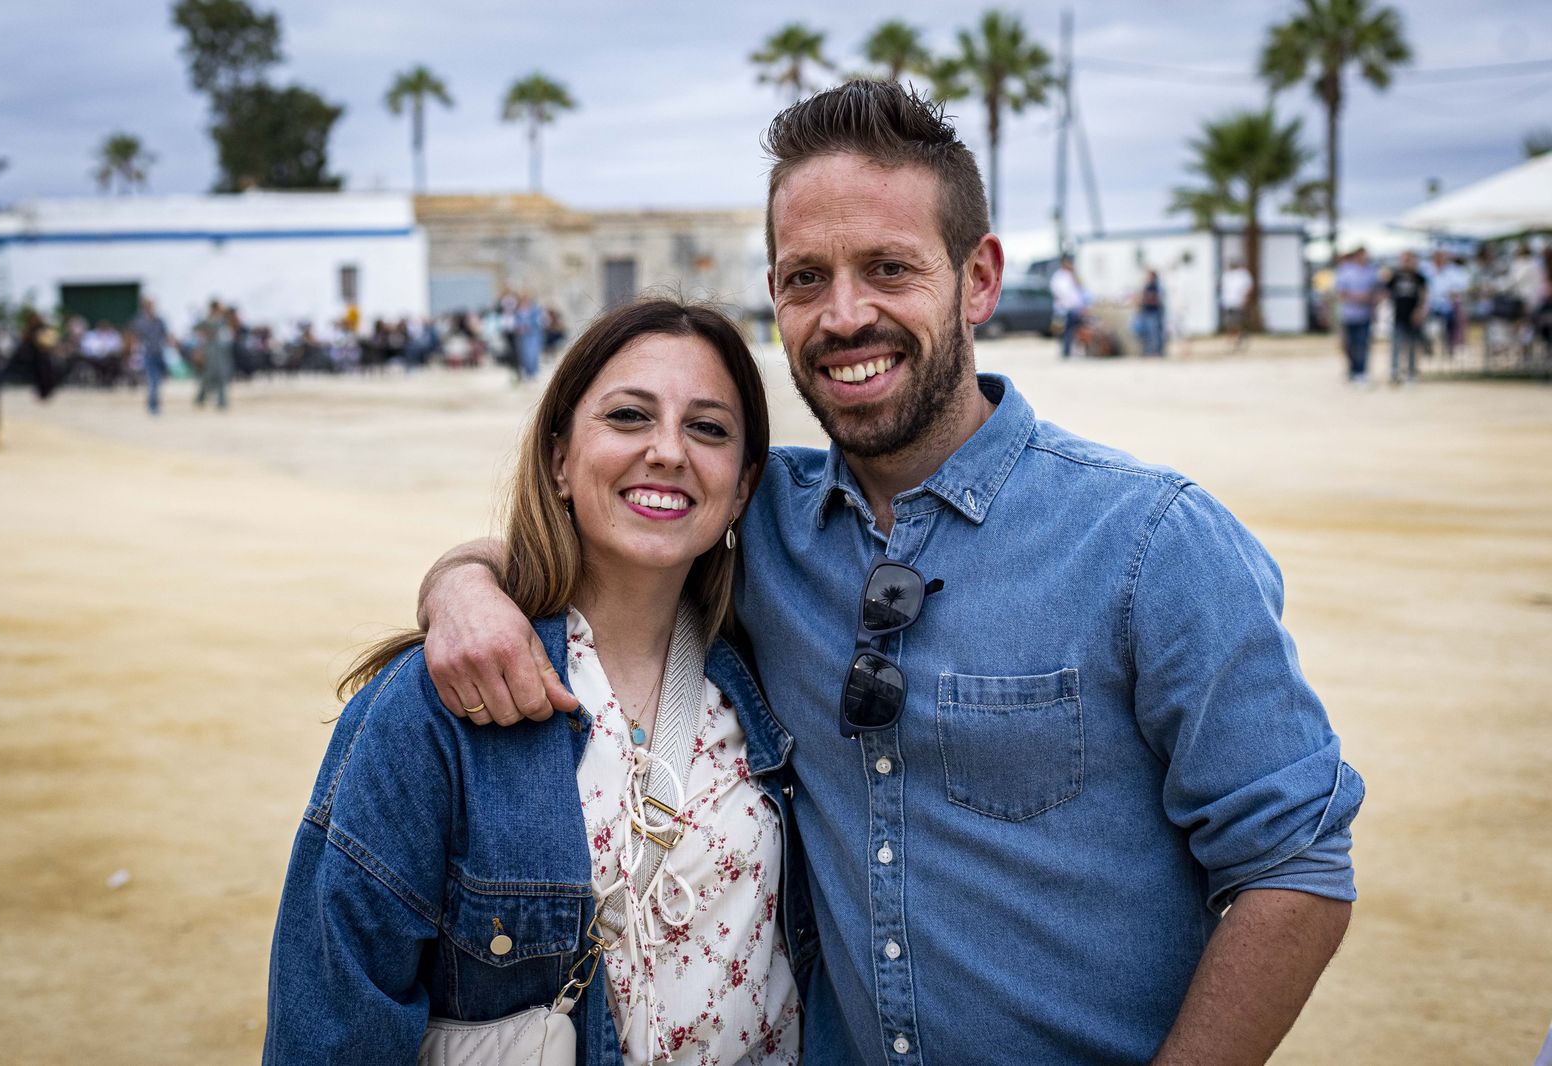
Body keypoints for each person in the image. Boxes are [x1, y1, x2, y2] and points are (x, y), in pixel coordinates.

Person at [413, 81, 1363, 1065]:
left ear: (978, 279)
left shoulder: (1150, 543)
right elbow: (593, 533)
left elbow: (1292, 867)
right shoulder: (756, 516)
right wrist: (462, 584)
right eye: (804, 278)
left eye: (888, 268)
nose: (844, 315)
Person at [265, 299, 801, 1065]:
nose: (668, 451)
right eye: (628, 417)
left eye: (708, 428)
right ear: (558, 459)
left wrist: (462, 572)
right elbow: (332, 1029)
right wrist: (464, 581)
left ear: (743, 488)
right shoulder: (437, 704)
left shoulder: (773, 675)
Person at [1334, 247, 1381, 383]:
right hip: (1348, 315)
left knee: (1362, 344)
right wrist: (1359, 298)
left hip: (1365, 314)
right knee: (1349, 345)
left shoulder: (1371, 272)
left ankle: (1361, 371)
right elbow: (1341, 293)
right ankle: (1352, 370)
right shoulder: (1345, 271)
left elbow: (1378, 291)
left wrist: (1373, 304)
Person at [1384, 250, 1428, 385]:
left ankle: (1411, 372)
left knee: (1413, 346)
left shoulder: (1419, 277)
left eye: (1409, 259)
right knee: (1396, 345)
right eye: (1404, 259)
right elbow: (1386, 291)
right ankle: (1395, 372)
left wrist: (1420, 311)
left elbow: (1424, 294)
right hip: (1399, 316)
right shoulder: (1396, 276)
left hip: (1414, 316)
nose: (1406, 262)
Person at [1423, 251, 1468, 358]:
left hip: (1448, 306)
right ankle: (1430, 349)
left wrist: (1454, 293)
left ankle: (1449, 348)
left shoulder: (1453, 272)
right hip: (1432, 306)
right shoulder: (1427, 270)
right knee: (1430, 331)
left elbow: (1461, 287)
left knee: (1450, 328)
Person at [131, 298, 169, 415]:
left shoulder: (159, 321)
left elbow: (166, 336)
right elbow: (133, 336)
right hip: (148, 355)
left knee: (158, 381)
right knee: (153, 381)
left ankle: (153, 403)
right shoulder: (140, 322)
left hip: (160, 354)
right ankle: (153, 406)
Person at [193, 300, 232, 410]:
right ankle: (201, 398)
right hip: (209, 351)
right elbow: (196, 329)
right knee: (207, 376)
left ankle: (221, 401)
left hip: (219, 351)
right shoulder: (208, 319)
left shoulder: (221, 319)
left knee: (221, 376)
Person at [1048, 255, 1086, 358]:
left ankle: (1072, 351)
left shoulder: (1072, 276)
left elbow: (1080, 291)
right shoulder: (1059, 277)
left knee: (1074, 331)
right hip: (1064, 309)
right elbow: (1062, 294)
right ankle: (1065, 352)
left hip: (1075, 309)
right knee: (1065, 331)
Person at [1219, 258, 1254, 349]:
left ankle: (1238, 339)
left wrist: (1246, 299)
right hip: (1228, 302)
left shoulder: (1243, 274)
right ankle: (1232, 339)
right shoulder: (1226, 275)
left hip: (1239, 302)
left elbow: (1248, 288)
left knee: (1238, 322)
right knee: (1229, 322)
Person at [1133, 268, 1165, 356]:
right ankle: (1148, 351)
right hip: (1145, 313)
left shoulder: (1157, 287)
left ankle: (1155, 352)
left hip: (1153, 313)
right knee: (1144, 333)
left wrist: (1147, 298)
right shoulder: (1147, 286)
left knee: (1154, 334)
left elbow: (1157, 299)